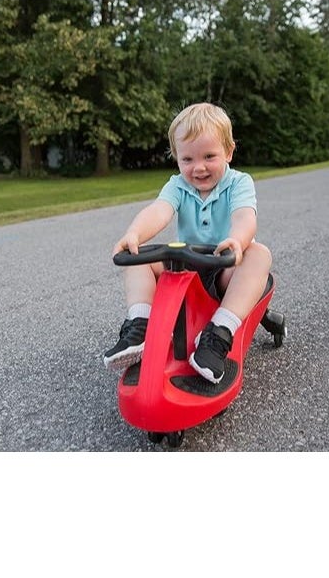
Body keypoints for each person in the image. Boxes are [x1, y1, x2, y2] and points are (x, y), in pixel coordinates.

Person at [103, 102, 272, 383]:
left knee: (259, 254)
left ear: (229, 152)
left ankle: (219, 333)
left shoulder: (239, 182)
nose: (199, 168)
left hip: (224, 268)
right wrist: (135, 233)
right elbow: (159, 211)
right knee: (139, 255)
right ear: (177, 159)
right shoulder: (177, 186)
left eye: (209, 156)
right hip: (187, 269)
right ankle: (140, 326)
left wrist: (236, 240)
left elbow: (245, 217)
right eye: (188, 160)